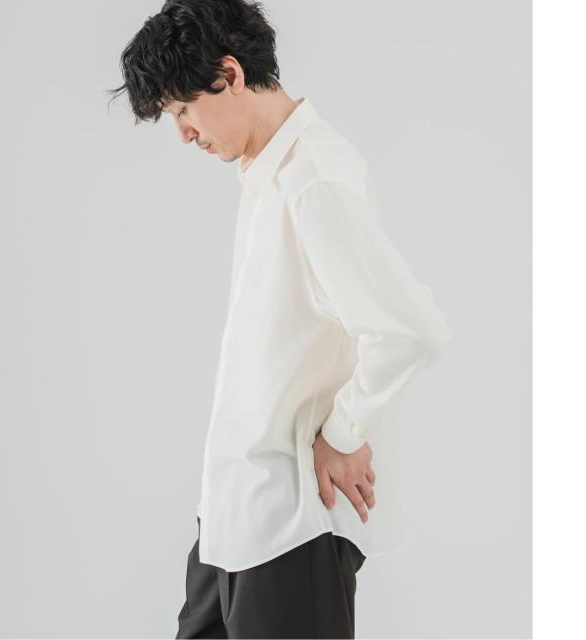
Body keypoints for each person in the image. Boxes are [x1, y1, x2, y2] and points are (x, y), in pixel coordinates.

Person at [108, 1, 452, 637]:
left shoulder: (314, 178)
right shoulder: (270, 172)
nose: (183, 134)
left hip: (289, 530)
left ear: (230, 75)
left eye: (183, 110)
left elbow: (411, 331)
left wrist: (344, 433)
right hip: (231, 519)